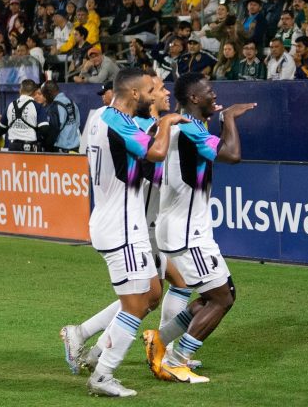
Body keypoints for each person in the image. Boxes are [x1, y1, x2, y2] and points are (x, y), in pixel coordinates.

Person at [69, 68, 187, 397]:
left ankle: (94, 352)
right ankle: (103, 374)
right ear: (133, 94)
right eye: (150, 89)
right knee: (135, 305)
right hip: (121, 226)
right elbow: (156, 153)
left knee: (150, 293)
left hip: (122, 221)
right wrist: (165, 123)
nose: (154, 93)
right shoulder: (118, 122)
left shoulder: (97, 117)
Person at [144, 72, 255, 384]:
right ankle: (177, 360)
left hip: (182, 227)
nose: (214, 93)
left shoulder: (186, 127)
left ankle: (160, 341)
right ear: (193, 98)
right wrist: (230, 118)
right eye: (208, 90)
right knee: (223, 298)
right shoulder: (190, 129)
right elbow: (232, 155)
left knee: (212, 297)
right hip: (187, 232)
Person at [38, 81, 81, 153]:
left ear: (49, 93)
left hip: (61, 151)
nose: (45, 98)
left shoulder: (54, 108)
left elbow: (53, 131)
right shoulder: (72, 103)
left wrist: (45, 146)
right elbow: (77, 124)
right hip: (75, 150)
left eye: (44, 95)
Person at [5, 79, 41, 151]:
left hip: (13, 146)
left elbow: (2, 126)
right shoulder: (37, 106)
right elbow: (44, 128)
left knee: (13, 163)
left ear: (20, 91)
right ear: (34, 92)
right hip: (31, 146)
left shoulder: (10, 105)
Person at [79, 81, 114, 154]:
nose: (103, 96)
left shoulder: (122, 113)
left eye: (105, 93)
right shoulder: (97, 113)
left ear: (114, 91)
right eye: (102, 94)